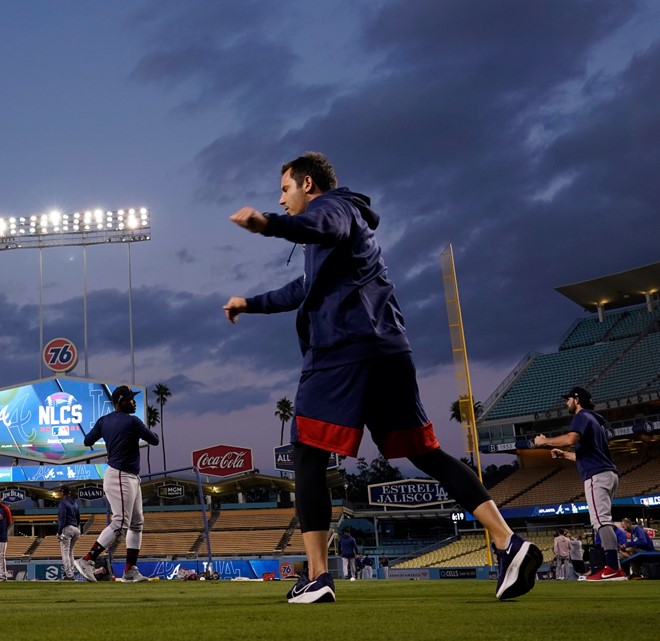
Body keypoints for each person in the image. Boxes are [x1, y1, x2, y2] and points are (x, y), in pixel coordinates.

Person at [222, 152, 541, 603]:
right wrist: (249, 303)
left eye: (285, 189)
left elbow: (323, 224)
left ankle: (316, 576)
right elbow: (303, 289)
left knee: (307, 452)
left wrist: (268, 223)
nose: (281, 197)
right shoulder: (343, 225)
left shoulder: (331, 209)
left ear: (307, 183)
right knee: (426, 453)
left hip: (343, 352)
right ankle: (510, 543)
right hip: (388, 350)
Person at [534, 387, 625, 581]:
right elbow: (588, 455)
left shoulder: (582, 416)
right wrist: (564, 454)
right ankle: (611, 566)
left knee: (601, 521)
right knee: (603, 520)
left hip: (597, 476)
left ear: (577, 400)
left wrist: (544, 442)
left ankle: (613, 568)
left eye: (568, 399)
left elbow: (570, 438)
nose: (566, 402)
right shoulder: (595, 420)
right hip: (608, 473)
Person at [73, 385, 160, 583]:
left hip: (126, 475)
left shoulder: (104, 421)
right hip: (121, 475)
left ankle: (129, 570)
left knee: (137, 523)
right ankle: (87, 560)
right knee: (121, 522)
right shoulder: (132, 421)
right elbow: (154, 440)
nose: (134, 401)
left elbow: (88, 441)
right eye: (130, 398)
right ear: (120, 401)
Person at [56, 486, 81, 580]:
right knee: (70, 552)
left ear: (62, 493)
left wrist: (59, 532)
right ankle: (71, 573)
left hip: (67, 528)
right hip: (76, 528)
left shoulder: (63, 503)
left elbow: (62, 518)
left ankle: (69, 574)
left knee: (65, 552)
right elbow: (78, 519)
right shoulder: (75, 503)